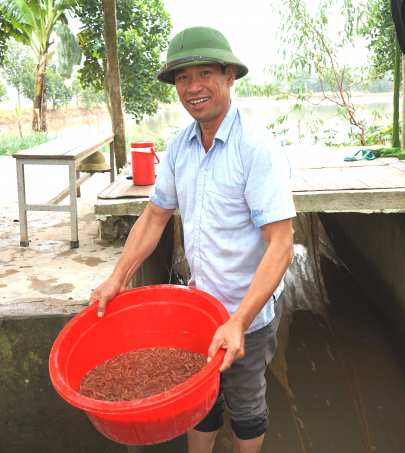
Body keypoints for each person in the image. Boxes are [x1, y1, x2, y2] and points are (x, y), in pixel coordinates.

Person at [90, 26, 296, 453]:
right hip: (198, 310)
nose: (194, 87)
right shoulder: (180, 146)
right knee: (198, 401)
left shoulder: (257, 148)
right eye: (183, 77)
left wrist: (237, 322)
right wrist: (117, 278)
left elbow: (281, 245)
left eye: (205, 74)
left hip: (246, 316)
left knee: (246, 405)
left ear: (229, 77)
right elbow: (153, 216)